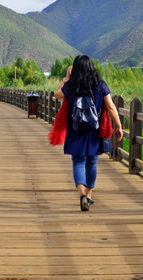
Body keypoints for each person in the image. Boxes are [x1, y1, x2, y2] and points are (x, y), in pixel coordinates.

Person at [54, 55, 124, 211]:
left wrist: (66, 78)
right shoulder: (100, 85)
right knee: (92, 163)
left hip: (76, 129)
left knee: (78, 162)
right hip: (94, 130)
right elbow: (111, 107)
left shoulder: (72, 85)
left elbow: (56, 94)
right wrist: (118, 126)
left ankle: (81, 194)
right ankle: (89, 194)